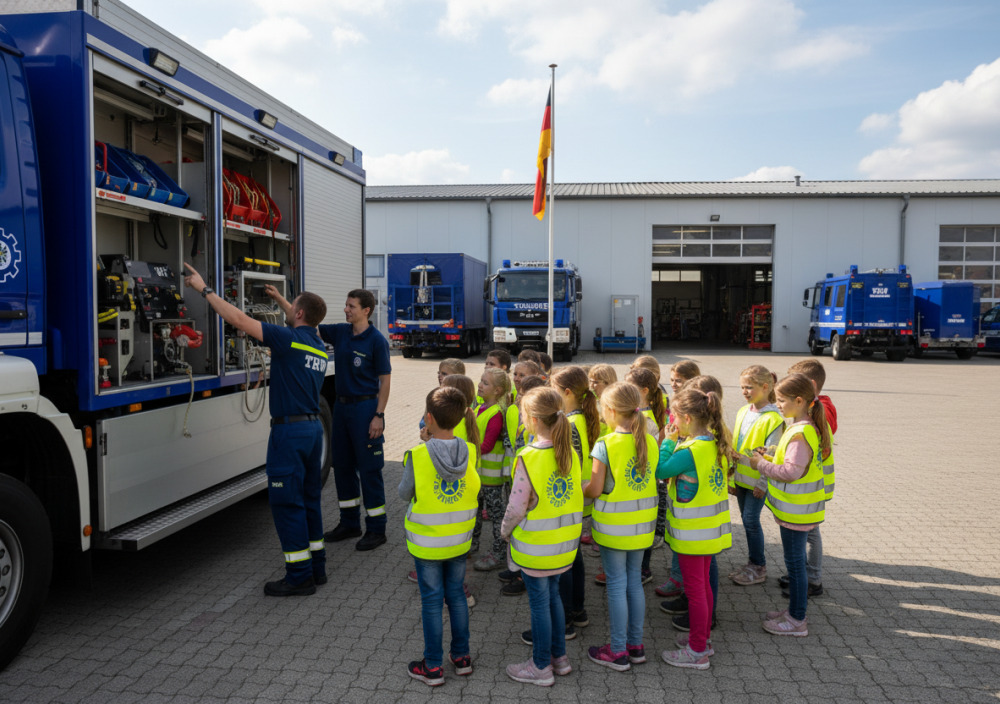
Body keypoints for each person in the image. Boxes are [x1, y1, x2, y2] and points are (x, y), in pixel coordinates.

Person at [184, 265, 328, 596]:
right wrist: (280, 300)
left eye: (294, 308)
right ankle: (316, 568)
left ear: (300, 313)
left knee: (285, 503)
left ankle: (299, 577)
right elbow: (303, 316)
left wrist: (204, 289)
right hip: (312, 431)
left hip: (288, 435)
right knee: (309, 501)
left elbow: (238, 320)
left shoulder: (286, 338)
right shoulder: (317, 345)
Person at [271, 287, 390, 552]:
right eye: (346, 305)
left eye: (351, 306)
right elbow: (306, 324)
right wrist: (280, 299)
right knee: (343, 467)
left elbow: (385, 381)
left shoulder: (376, 341)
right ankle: (349, 523)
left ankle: (376, 528)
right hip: (343, 409)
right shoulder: (340, 332)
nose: (346, 310)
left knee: (369, 469)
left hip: (366, 409)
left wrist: (378, 416)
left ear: (366, 311)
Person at [502, 387, 582, 686]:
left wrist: (504, 531)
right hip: (564, 547)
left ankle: (539, 667)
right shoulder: (570, 453)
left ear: (532, 419)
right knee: (554, 599)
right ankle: (559, 659)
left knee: (539, 604)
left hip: (536, 548)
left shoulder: (528, 457)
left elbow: (515, 507)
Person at [401, 387, 480, 686]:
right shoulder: (470, 451)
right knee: (457, 596)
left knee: (432, 601)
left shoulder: (418, 455)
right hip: (459, 539)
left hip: (427, 544)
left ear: (429, 419)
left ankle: (432, 666)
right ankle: (461, 657)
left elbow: (403, 493)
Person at [748, 373, 831, 637]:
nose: (778, 405)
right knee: (794, 564)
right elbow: (794, 462)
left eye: (781, 400)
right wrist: (771, 453)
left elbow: (791, 472)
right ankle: (794, 611)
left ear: (799, 400)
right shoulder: (802, 426)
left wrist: (760, 464)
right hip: (797, 512)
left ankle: (797, 619)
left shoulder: (799, 432)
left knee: (795, 566)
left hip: (798, 513)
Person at [585, 382, 659, 672]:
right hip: (642, 528)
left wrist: (580, 486)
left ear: (611, 411)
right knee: (633, 582)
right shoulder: (651, 440)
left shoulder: (605, 444)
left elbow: (595, 489)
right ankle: (635, 646)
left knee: (616, 585)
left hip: (613, 529)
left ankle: (617, 651)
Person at [657, 387, 733, 669]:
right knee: (703, 588)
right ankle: (703, 639)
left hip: (692, 534)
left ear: (686, 418)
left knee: (695, 592)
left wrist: (666, 441)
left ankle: (697, 651)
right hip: (708, 531)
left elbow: (661, 470)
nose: (671, 421)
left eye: (673, 416)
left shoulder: (691, 449)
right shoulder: (713, 441)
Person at [781, 359, 837, 598]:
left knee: (812, 535)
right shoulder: (814, 411)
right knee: (810, 534)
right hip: (810, 489)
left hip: (810, 490)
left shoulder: (816, 416)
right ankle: (804, 574)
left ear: (810, 386)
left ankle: (811, 579)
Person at [729, 365, 784, 587]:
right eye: (742, 387)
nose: (744, 391)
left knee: (751, 521)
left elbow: (773, 455)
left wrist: (763, 482)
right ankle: (752, 563)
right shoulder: (743, 411)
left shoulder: (774, 418)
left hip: (757, 482)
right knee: (745, 520)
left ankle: (759, 566)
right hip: (741, 478)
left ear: (765, 386)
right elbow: (738, 443)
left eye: (749, 387)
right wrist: (731, 473)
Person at [498, 373, 548, 596]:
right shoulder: (526, 421)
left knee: (523, 527)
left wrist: (504, 529)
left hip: (530, 484)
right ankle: (517, 567)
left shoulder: (538, 433)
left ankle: (523, 574)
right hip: (520, 478)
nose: (518, 401)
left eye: (523, 397)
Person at [472, 368, 512, 571]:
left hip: (492, 478)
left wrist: (464, 446)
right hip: (479, 476)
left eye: (485, 383)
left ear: (497, 391)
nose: (479, 385)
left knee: (496, 516)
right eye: (480, 380)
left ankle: (498, 554)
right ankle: (472, 546)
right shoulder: (479, 408)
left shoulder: (496, 413)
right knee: (475, 513)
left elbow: (486, 446)